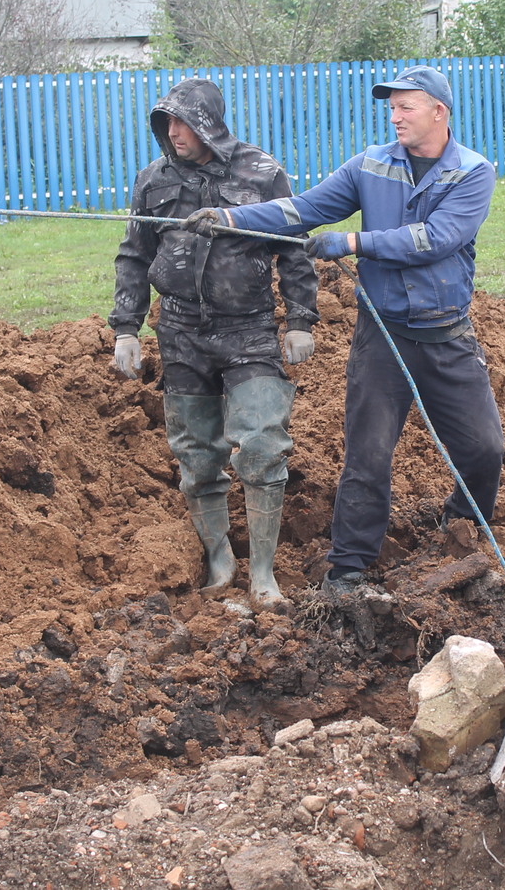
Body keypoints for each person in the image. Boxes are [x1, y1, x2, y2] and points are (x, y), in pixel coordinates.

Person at [185, 65, 505, 596]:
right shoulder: (371, 164)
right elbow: (303, 209)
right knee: (367, 455)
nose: (395, 116)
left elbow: (436, 238)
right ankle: (349, 567)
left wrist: (354, 242)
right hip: (383, 337)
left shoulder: (472, 172)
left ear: (438, 112)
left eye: (405, 106)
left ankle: (463, 526)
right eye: (392, 106)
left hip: (447, 336)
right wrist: (232, 219)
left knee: (484, 449)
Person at [110, 79, 319, 611]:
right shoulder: (153, 180)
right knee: (197, 456)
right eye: (167, 123)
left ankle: (263, 572)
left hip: (249, 329)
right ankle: (220, 557)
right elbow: (134, 255)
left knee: (264, 444)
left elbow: (294, 247)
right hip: (181, 333)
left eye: (183, 122)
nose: (174, 133)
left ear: (208, 123)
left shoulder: (261, 172)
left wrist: (300, 319)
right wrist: (127, 328)